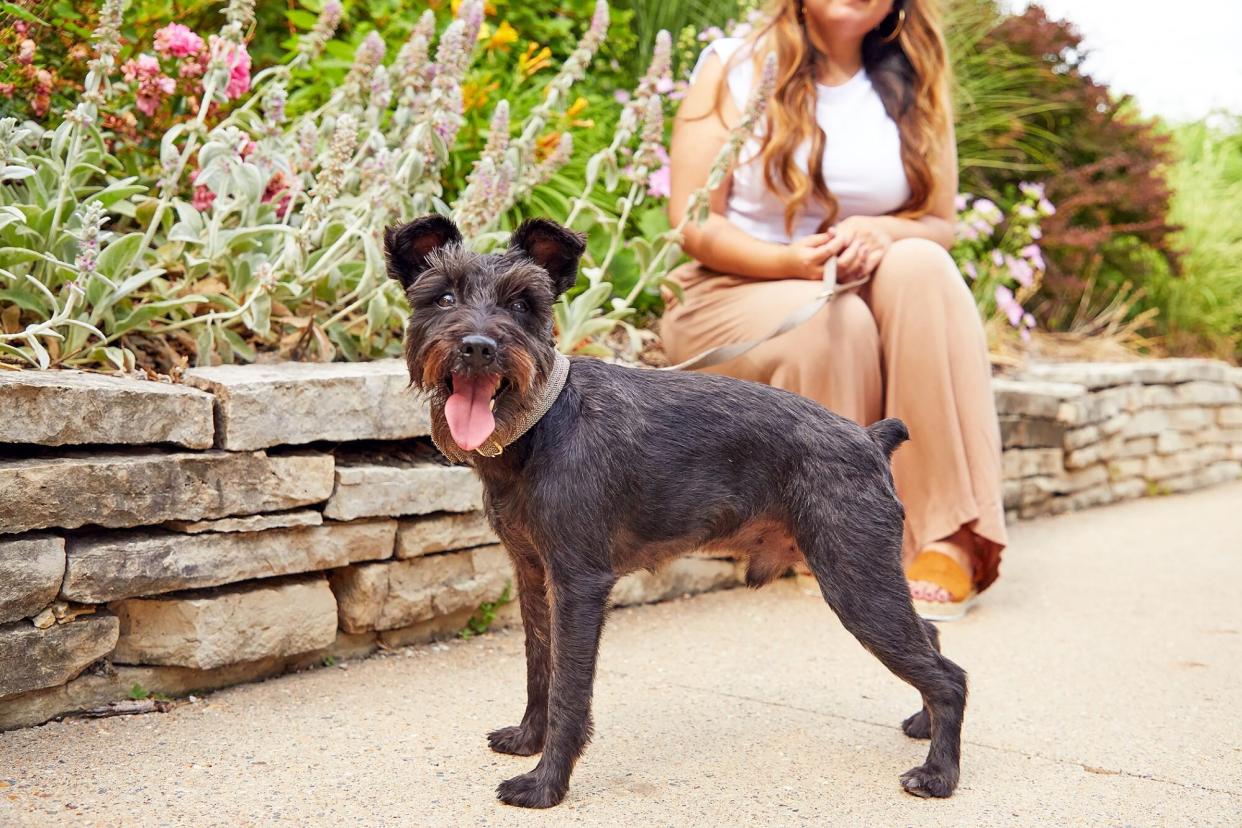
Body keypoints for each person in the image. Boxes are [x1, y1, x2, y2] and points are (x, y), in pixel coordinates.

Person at [662, 0, 1006, 620]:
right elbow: (691, 221)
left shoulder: (917, 75)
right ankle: (833, 538)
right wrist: (790, 261)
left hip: (869, 289)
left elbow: (940, 223)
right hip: (734, 287)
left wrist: (882, 231)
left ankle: (946, 537)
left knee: (924, 264)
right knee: (833, 322)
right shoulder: (733, 66)